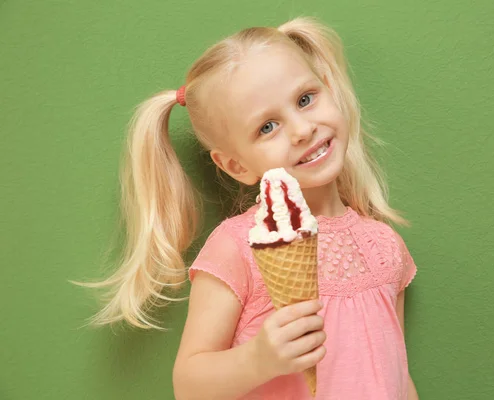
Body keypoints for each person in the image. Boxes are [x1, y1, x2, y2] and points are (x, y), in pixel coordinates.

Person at [87, 16, 419, 400]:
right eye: (267, 127)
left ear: (330, 90)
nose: (302, 129)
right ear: (236, 165)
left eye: (305, 99)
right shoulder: (238, 247)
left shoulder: (385, 247)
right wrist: (259, 360)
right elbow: (188, 386)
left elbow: (397, 376)